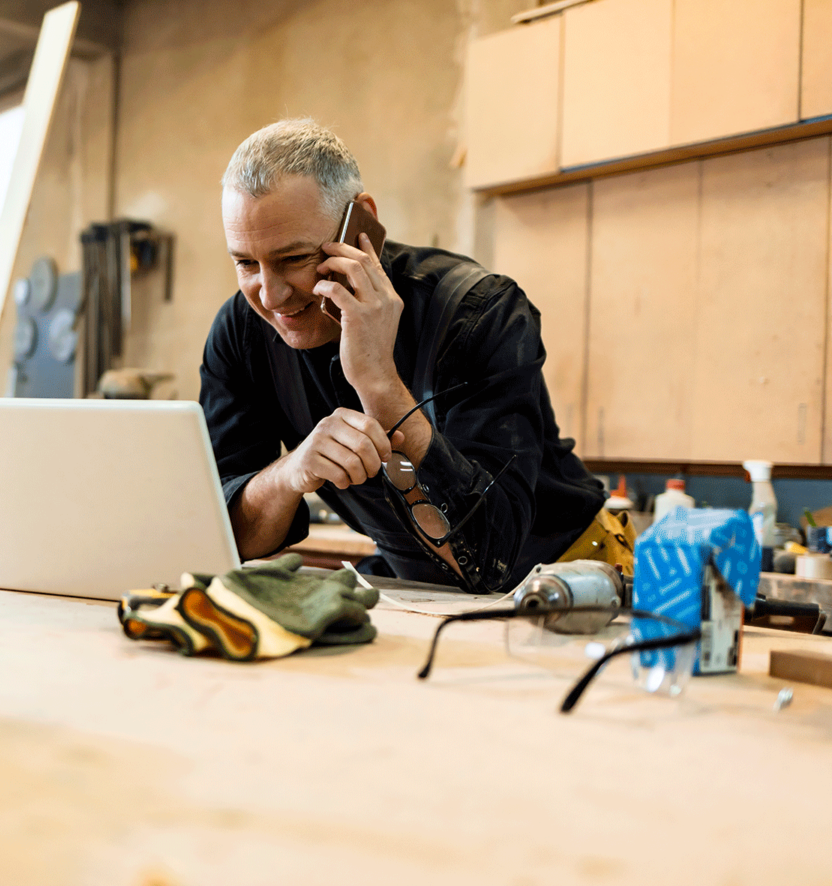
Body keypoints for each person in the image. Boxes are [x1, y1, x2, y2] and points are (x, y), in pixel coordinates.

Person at [199, 119, 621, 593]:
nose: (271, 296)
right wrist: (289, 474)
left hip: (571, 576)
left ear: (361, 224)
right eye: (246, 263)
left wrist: (380, 385)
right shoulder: (241, 333)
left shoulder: (479, 313)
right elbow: (221, 534)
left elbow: (491, 557)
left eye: (295, 259)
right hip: (422, 585)